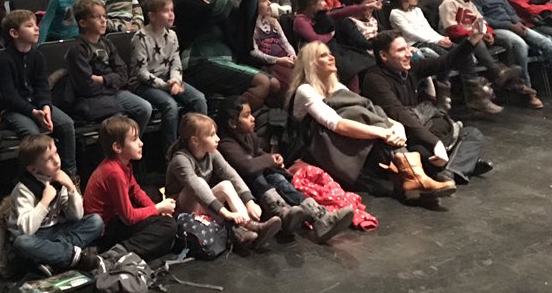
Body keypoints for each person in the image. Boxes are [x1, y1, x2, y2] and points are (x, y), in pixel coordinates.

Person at [288, 41, 455, 200]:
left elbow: (369, 111)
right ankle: (413, 175)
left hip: (344, 142)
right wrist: (383, 132)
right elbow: (336, 124)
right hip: (317, 148)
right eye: (324, 55)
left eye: (330, 54)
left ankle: (412, 177)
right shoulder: (305, 90)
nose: (332, 57)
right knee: (354, 113)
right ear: (311, 63)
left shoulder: (338, 87)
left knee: (364, 110)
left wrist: (394, 125)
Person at [362, 31, 492, 186]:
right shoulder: (374, 79)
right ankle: (462, 164)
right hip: (405, 137)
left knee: (473, 134)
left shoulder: (410, 69)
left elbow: (446, 61)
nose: (409, 54)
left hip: (425, 128)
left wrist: (473, 39)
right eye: (401, 50)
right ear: (384, 56)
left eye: (408, 48)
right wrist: (434, 143)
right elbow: (399, 113)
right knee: (424, 154)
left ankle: (451, 170)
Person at [217, 98, 352, 243]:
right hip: (248, 191)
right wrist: (268, 160)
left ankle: (320, 217)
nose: (252, 118)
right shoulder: (226, 144)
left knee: (278, 178)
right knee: (257, 176)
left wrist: (272, 158)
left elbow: (258, 153)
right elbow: (247, 167)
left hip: (263, 181)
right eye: (246, 116)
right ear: (232, 123)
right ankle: (281, 212)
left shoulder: (249, 135)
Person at [164, 113, 282, 250]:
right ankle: (238, 230)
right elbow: (196, 187)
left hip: (202, 203)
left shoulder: (211, 153)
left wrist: (249, 201)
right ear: (195, 141)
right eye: (212, 135)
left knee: (226, 185)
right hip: (182, 210)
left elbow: (230, 174)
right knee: (200, 182)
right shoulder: (181, 159)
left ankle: (250, 226)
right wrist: (226, 213)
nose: (218, 138)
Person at [172, 0, 277, 109]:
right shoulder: (185, 4)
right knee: (262, 82)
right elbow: (218, 12)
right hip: (201, 62)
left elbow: (244, 17)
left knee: (274, 84)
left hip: (226, 61)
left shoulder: (213, 1)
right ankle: (233, 121)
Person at [0, 9, 80, 177]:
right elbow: (9, 97)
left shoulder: (37, 56)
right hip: (12, 109)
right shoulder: (3, 61)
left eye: (35, 24)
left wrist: (46, 107)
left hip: (37, 106)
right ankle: (36, 179)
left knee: (67, 124)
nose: (36, 29)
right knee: (33, 135)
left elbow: (42, 87)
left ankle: (69, 174)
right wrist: (33, 113)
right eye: (29, 25)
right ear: (14, 33)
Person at [82, 116, 177, 260]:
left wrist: (158, 212)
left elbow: (136, 191)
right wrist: (158, 209)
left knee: (154, 200)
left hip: (116, 220)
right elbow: (129, 217)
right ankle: (118, 252)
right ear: (118, 147)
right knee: (168, 226)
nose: (141, 143)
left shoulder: (123, 164)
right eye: (134, 139)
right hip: (106, 229)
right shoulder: (114, 172)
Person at [8, 134, 104, 275]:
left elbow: (76, 216)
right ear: (33, 169)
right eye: (48, 159)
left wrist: (71, 188)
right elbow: (26, 230)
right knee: (21, 243)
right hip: (36, 236)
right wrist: (44, 201)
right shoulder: (24, 189)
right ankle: (73, 257)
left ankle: (53, 256)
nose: (56, 161)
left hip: (57, 231)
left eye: (56, 153)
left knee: (96, 221)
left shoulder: (58, 177)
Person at [130, 0, 207, 154]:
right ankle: (171, 152)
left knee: (199, 99)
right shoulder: (140, 37)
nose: (171, 14)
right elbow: (140, 72)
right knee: (170, 106)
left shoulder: (171, 35)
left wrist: (175, 81)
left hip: (169, 80)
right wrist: (166, 85)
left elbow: (176, 62)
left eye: (172, 10)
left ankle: (198, 144)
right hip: (145, 84)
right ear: (151, 16)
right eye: (165, 11)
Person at [65, 0, 152, 131]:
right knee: (119, 120)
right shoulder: (78, 49)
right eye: (97, 17)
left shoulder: (107, 43)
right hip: (93, 98)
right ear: (83, 23)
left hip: (112, 91)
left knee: (144, 108)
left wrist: (104, 80)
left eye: (104, 16)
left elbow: (123, 74)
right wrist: (112, 82)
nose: (103, 20)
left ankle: (132, 145)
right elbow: (86, 86)